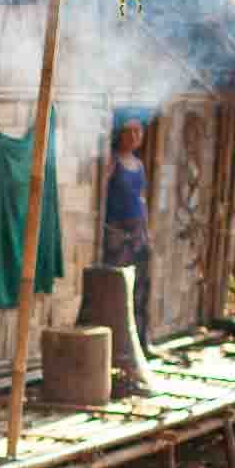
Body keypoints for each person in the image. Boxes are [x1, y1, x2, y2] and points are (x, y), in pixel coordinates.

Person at [103, 117, 154, 349]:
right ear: (120, 134)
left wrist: (145, 230)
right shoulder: (113, 161)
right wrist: (110, 230)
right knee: (118, 285)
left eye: (138, 131)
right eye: (129, 131)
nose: (134, 136)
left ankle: (141, 340)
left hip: (138, 232)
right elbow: (101, 194)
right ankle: (117, 342)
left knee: (142, 286)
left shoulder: (139, 164)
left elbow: (141, 199)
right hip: (118, 232)